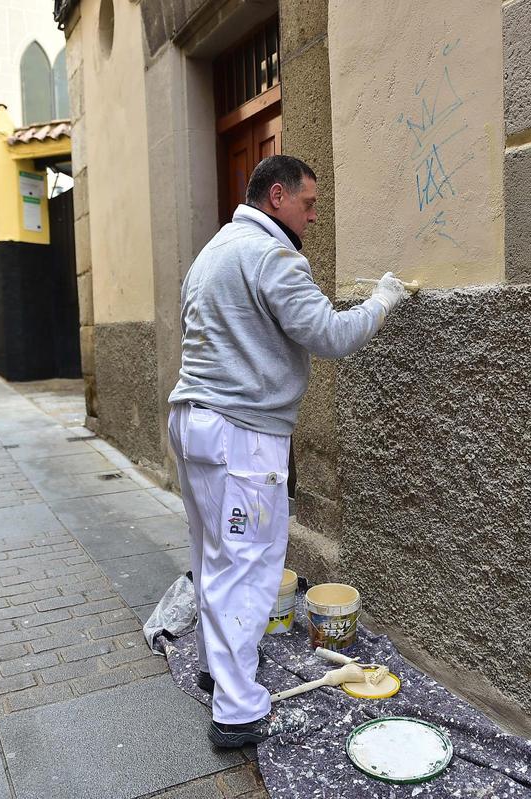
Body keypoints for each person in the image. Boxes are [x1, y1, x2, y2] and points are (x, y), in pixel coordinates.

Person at [167, 155, 410, 747]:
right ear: (276, 196)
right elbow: (329, 334)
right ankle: (237, 710)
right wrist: (382, 301)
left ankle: (214, 667)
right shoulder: (272, 254)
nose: (314, 214)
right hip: (241, 434)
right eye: (309, 203)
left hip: (194, 422)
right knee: (248, 566)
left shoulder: (213, 252)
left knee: (214, 558)